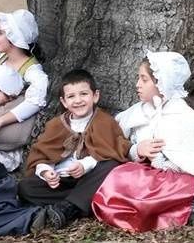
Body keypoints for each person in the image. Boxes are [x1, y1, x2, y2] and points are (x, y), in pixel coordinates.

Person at [92, 52, 194, 232]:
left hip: (178, 179)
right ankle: (183, 213)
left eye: (144, 79)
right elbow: (114, 140)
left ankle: (188, 212)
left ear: (161, 82)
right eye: (138, 78)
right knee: (120, 179)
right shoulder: (135, 113)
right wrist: (136, 149)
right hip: (145, 178)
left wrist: (172, 164)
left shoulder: (185, 115)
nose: (137, 85)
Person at [18, 68, 130, 230]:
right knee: (25, 187)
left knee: (111, 165)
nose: (78, 100)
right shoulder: (56, 124)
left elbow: (114, 150)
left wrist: (85, 165)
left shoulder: (104, 121)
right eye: (71, 96)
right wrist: (46, 171)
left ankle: (69, 208)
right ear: (64, 102)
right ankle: (79, 203)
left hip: (91, 178)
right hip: (62, 182)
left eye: (83, 94)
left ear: (95, 96)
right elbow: (42, 154)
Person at [0, 10, 48, 142]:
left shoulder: (32, 70)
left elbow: (34, 102)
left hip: (10, 127)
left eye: (0, 33)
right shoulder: (0, 60)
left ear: (14, 36)